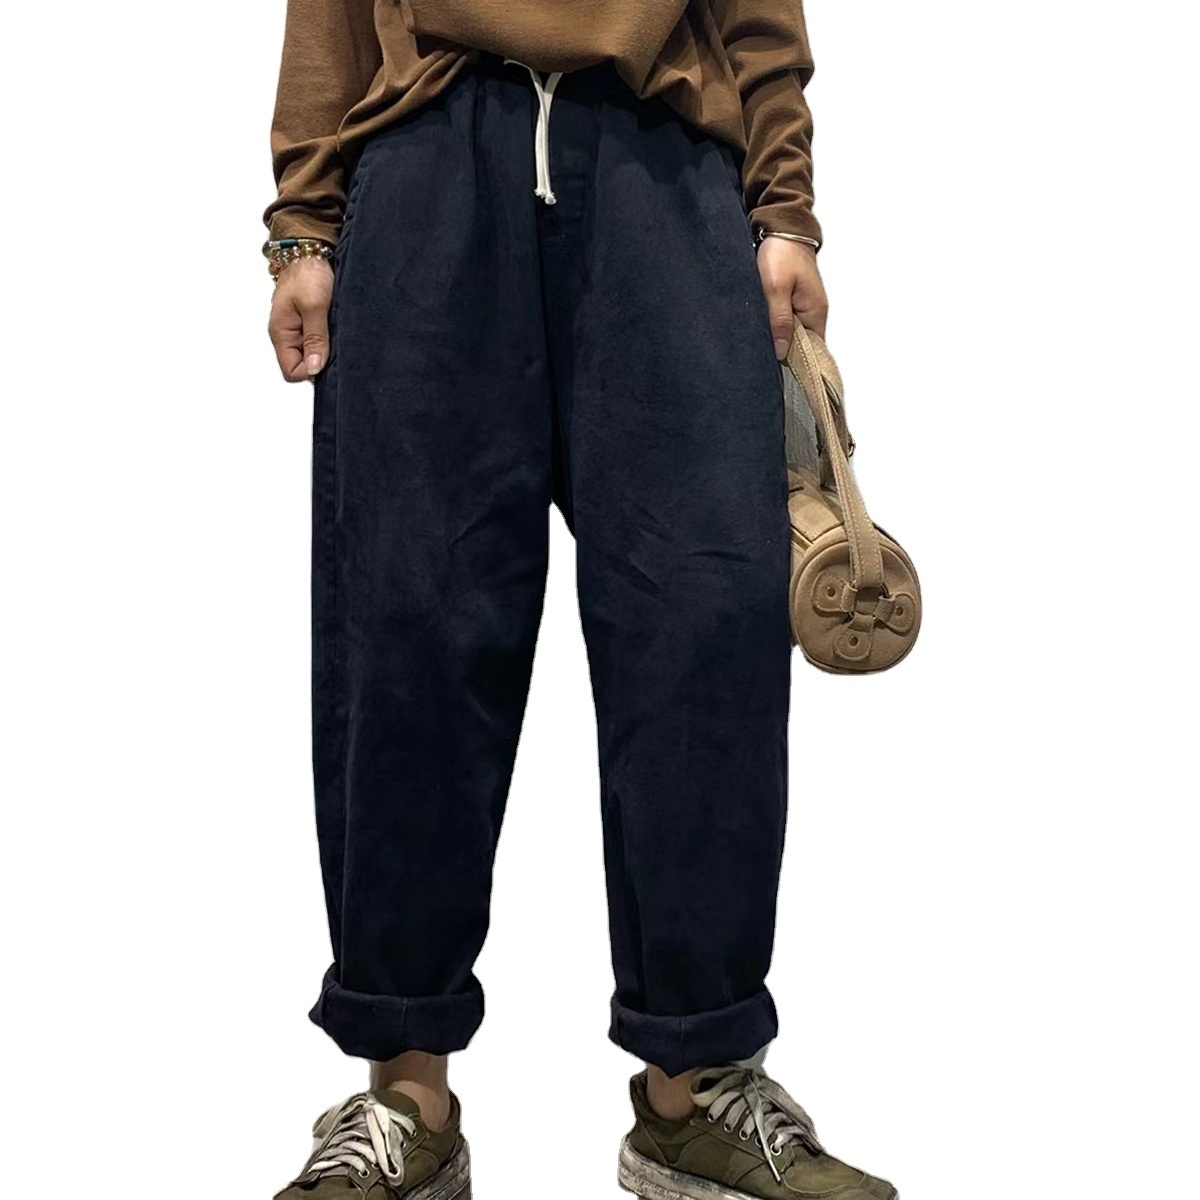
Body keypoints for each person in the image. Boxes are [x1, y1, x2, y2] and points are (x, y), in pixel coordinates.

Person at [262, 3, 896, 1199]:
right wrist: (303, 222)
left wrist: (784, 207)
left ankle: (697, 1086)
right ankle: (404, 1094)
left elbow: (757, 12)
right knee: (410, 627)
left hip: (667, 159)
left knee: (705, 626)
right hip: (430, 157)